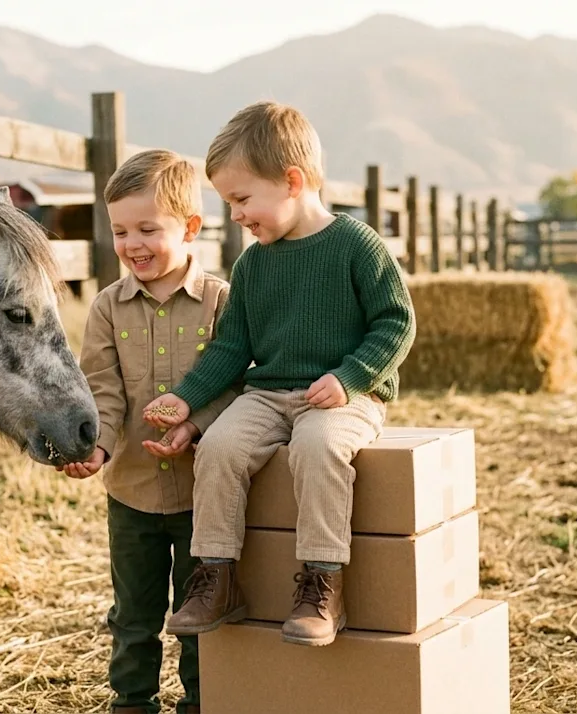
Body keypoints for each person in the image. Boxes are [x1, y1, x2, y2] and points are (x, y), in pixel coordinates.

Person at [142, 101, 417, 647]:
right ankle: (217, 577)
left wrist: (351, 377)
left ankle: (322, 582)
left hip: (344, 397)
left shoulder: (355, 245)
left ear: (291, 181)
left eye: (242, 199)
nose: (237, 215)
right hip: (267, 396)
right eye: (228, 203)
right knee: (218, 447)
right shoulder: (253, 264)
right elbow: (233, 347)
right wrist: (187, 400)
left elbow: (397, 321)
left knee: (317, 448)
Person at [62, 148, 238, 714]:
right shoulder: (109, 308)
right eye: (119, 231)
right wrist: (99, 447)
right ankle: (132, 702)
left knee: (198, 614)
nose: (132, 244)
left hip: (202, 497)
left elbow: (237, 385)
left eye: (147, 229)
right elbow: (104, 389)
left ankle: (203, 703)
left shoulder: (222, 302)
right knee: (133, 613)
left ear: (190, 227)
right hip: (132, 492)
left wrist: (196, 423)